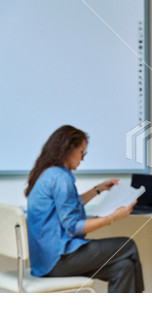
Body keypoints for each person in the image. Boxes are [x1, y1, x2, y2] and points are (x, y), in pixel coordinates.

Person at [25, 125, 144, 293]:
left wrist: (98, 189)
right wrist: (113, 217)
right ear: (68, 149)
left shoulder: (48, 174)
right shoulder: (61, 177)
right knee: (128, 245)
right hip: (58, 260)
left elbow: (68, 203)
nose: (82, 158)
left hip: (44, 262)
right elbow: (73, 227)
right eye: (82, 152)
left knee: (123, 267)